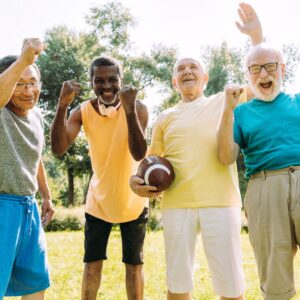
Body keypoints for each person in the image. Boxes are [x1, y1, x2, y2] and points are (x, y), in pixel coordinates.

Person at [129, 3, 263, 299]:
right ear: (174, 82)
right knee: (177, 285)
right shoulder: (164, 117)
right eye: (181, 69)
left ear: (204, 78)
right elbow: (150, 163)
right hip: (177, 206)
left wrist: (256, 38)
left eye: (194, 67)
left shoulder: (225, 100)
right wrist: (136, 183)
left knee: (230, 285)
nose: (187, 71)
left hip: (222, 203)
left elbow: (259, 81)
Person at [217, 6, 300, 300]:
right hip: (265, 188)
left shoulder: (298, 101)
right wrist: (227, 109)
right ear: (247, 75)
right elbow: (226, 156)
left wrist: (256, 35)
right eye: (255, 69)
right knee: (274, 277)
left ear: (283, 69)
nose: (263, 73)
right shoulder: (240, 113)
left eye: (270, 66)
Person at [50, 56, 150, 300]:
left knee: (134, 266)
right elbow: (58, 148)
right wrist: (62, 105)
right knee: (92, 265)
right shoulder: (82, 111)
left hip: (133, 200)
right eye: (99, 81)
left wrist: (127, 109)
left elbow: (139, 152)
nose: (107, 86)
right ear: (91, 82)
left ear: (121, 80)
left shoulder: (138, 108)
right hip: (98, 201)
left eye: (112, 80)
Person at [0, 38, 55, 299]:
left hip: (28, 207)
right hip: (2, 207)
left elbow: (35, 156)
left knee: (36, 282)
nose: (27, 90)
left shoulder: (36, 117)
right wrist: (24, 61)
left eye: (32, 82)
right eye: (19, 83)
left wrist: (46, 195)